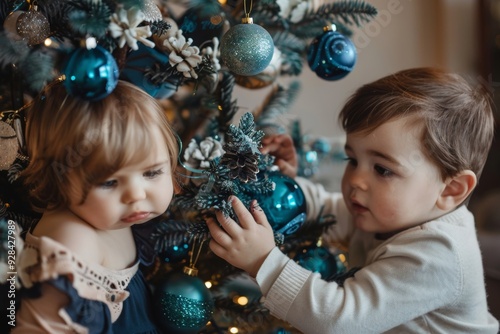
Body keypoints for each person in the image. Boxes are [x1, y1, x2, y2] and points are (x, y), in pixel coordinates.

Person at [206, 68, 500, 333]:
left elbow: (338, 319)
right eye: (352, 159)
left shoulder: (439, 254)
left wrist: (263, 261)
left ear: (451, 190)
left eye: (382, 169)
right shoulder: (384, 211)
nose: (356, 180)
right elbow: (323, 209)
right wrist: (283, 184)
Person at [14, 80, 178, 333]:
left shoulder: (111, 216)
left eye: (152, 172)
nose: (136, 195)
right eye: (109, 182)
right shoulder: (72, 240)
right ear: (59, 179)